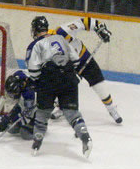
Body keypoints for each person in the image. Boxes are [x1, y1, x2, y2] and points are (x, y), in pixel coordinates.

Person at [26, 16, 92, 158]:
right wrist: (67, 74)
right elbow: (75, 59)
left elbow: (33, 70)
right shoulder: (61, 38)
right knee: (71, 112)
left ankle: (37, 142)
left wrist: (37, 82)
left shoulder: (35, 45)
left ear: (35, 30)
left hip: (48, 79)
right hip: (68, 77)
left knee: (43, 113)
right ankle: (85, 137)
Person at [44, 16, 122, 124]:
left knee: (99, 85)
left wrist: (100, 28)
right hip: (68, 66)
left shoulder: (63, 30)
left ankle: (111, 108)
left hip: (84, 58)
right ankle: (61, 107)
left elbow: (85, 21)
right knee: (61, 85)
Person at [0, 70, 36, 140]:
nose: (13, 95)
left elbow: (27, 113)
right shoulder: (19, 78)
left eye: (14, 93)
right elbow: (20, 73)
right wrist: (6, 119)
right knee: (11, 129)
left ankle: (41, 125)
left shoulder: (29, 93)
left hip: (38, 113)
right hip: (30, 105)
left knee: (25, 133)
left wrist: (8, 119)